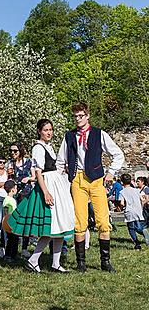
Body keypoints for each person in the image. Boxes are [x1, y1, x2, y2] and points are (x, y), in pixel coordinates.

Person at [57, 102, 125, 273]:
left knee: (103, 220)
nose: (78, 119)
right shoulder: (69, 136)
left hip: (96, 179)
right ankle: (81, 263)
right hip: (77, 180)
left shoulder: (99, 134)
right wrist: (61, 181)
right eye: (75, 116)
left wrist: (111, 173)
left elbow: (118, 154)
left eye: (81, 116)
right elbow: (60, 161)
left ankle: (105, 261)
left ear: (87, 116)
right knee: (80, 222)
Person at [6, 119, 74, 273]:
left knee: (59, 226)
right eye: (45, 130)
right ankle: (33, 259)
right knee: (50, 227)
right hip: (48, 185)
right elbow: (38, 172)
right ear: (39, 131)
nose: (49, 133)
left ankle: (55, 263)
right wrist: (46, 192)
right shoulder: (38, 147)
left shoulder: (48, 147)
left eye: (50, 129)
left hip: (56, 184)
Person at [7, 142, 34, 258]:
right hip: (15, 195)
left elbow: (35, 177)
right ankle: (12, 249)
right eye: (11, 151)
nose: (12, 153)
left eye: (15, 151)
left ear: (21, 151)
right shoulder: (10, 164)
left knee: (26, 220)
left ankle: (24, 248)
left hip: (27, 194)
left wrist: (28, 178)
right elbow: (9, 181)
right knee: (15, 220)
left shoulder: (29, 162)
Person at [119, 174, 149, 250]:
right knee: (138, 225)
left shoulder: (122, 192)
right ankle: (143, 231)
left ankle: (137, 244)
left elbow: (122, 203)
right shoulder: (137, 190)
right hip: (138, 210)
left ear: (122, 182)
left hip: (129, 211)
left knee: (131, 228)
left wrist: (121, 207)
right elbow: (142, 199)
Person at [2, 179, 18, 263]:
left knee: (14, 240)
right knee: (12, 240)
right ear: (12, 189)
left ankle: (13, 255)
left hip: (11, 222)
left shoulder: (9, 199)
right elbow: (6, 211)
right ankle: (9, 256)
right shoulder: (8, 200)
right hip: (10, 223)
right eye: (16, 188)